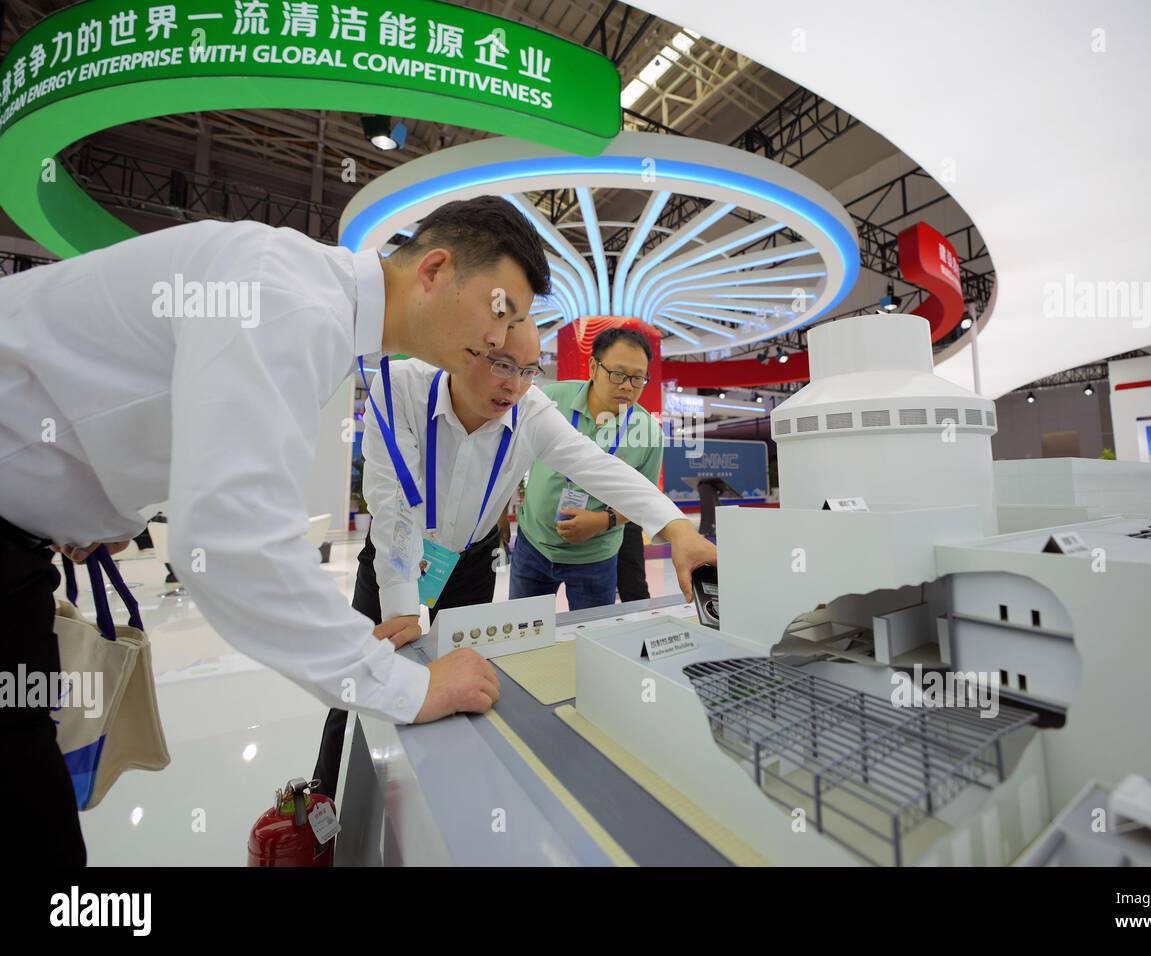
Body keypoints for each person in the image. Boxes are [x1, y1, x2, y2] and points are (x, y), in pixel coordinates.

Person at [0, 195, 546, 865]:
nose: (501, 340)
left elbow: (147, 413)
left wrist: (105, 511)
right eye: (501, 312)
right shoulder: (287, 296)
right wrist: (410, 687)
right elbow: (236, 539)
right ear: (434, 269)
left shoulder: (313, 309)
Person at [311, 321, 716, 797]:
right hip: (395, 555)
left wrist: (678, 528)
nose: (515, 385)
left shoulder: (531, 409)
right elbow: (393, 501)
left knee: (463, 679)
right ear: (462, 351)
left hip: (470, 564)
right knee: (361, 677)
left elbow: (598, 466)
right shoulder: (402, 385)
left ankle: (450, 792)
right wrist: (401, 606)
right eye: (502, 365)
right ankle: (324, 797)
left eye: (528, 370)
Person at [509, 327, 671, 610]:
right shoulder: (551, 400)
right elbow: (511, 452)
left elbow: (646, 499)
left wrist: (603, 521)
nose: (627, 386)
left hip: (596, 558)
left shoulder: (648, 431)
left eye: (637, 378)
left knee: (592, 640)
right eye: (618, 374)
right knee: (524, 637)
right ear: (594, 367)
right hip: (533, 546)